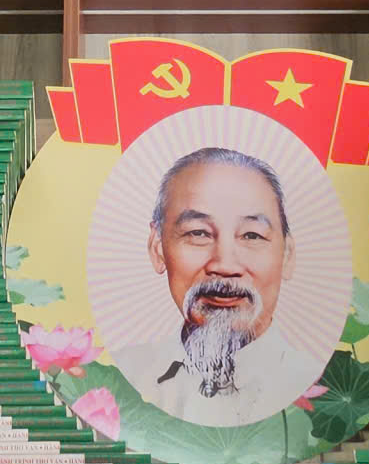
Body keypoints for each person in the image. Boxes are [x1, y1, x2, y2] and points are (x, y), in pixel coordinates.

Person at [112, 147, 321, 425]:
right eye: (198, 233)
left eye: (252, 235)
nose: (224, 265)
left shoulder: (318, 383)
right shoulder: (120, 380)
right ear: (157, 247)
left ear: (287, 255)